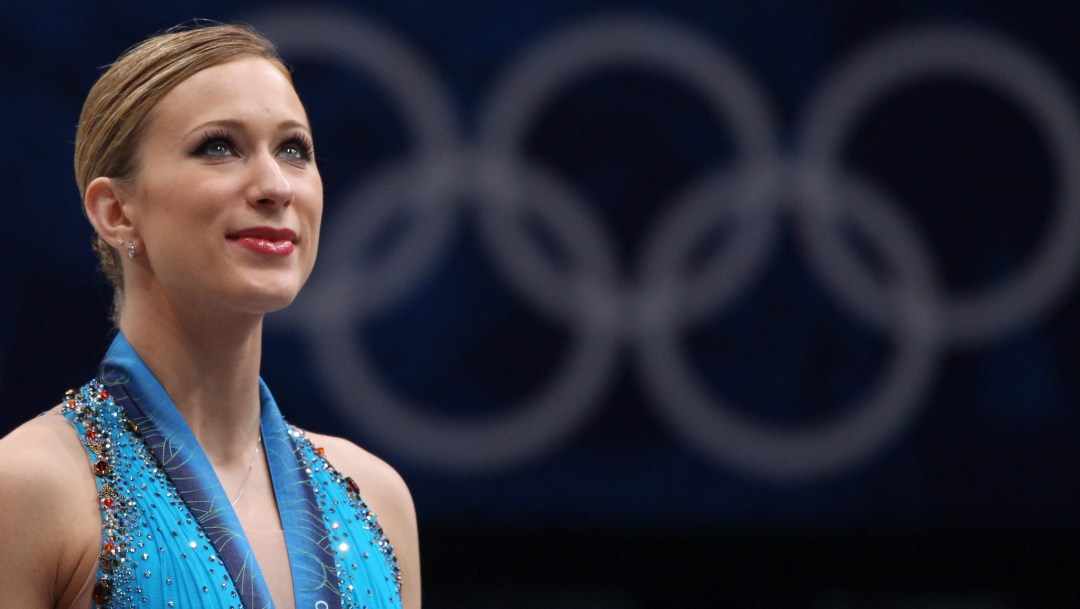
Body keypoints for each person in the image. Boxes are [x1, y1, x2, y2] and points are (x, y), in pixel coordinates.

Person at [0, 23, 420, 609]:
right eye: (218, 146)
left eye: (294, 149)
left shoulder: (376, 497)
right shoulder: (30, 487)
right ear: (117, 212)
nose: (275, 186)